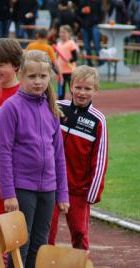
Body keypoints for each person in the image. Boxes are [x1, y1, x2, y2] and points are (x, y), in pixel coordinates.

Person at [0, 50, 69, 268]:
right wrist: (8, 193)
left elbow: (58, 155)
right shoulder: (11, 108)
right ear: (21, 75)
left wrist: (62, 192)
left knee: (40, 243)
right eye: (32, 76)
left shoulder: (51, 107)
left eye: (43, 77)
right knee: (20, 245)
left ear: (50, 77)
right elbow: (3, 153)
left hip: (48, 188)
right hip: (21, 188)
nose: (38, 82)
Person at [48, 65, 108, 250]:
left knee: (80, 234)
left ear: (95, 90)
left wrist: (92, 193)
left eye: (87, 88)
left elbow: (100, 160)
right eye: (78, 87)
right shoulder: (57, 108)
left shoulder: (98, 120)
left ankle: (81, 263)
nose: (82, 92)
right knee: (47, 232)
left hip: (78, 190)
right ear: (71, 86)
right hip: (51, 184)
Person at [76, 0, 103, 66]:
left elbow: (101, 13)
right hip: (85, 26)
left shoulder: (98, 2)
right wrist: (82, 11)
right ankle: (89, 62)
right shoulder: (83, 2)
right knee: (87, 46)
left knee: (97, 45)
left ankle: (100, 62)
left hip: (95, 25)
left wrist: (98, 21)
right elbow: (77, 13)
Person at [55, 25, 78, 100]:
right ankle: (60, 108)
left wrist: (70, 60)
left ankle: (76, 106)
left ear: (69, 34)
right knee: (60, 92)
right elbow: (57, 57)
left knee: (73, 90)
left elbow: (75, 57)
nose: (61, 34)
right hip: (61, 72)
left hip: (70, 71)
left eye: (64, 32)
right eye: (60, 32)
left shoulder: (71, 43)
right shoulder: (58, 44)